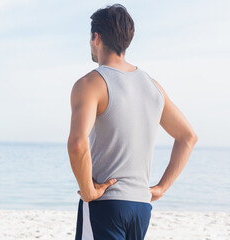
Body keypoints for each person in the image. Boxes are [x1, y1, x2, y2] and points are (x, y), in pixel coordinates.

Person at [67, 3, 198, 240]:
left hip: (106, 205)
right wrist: (161, 188)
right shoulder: (153, 86)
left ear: (96, 37)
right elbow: (188, 137)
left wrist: (88, 191)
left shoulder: (90, 84)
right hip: (140, 207)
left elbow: (77, 144)